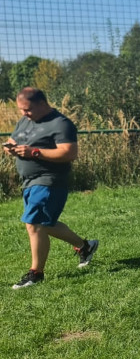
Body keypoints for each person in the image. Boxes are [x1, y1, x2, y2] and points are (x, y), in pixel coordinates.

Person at [5, 87, 98, 289]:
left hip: (50, 179)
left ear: (42, 103)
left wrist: (34, 152)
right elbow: (14, 139)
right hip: (29, 180)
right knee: (45, 223)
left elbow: (69, 153)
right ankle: (85, 246)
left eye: (27, 109)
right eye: (21, 110)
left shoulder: (61, 124)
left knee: (34, 223)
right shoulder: (25, 120)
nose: (24, 114)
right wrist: (10, 147)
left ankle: (35, 273)